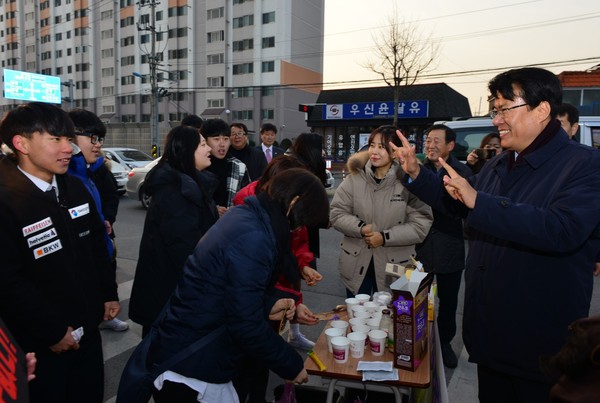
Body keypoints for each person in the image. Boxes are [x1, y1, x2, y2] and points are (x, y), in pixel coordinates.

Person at [391, 67, 600, 402]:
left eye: (504, 109)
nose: (496, 119)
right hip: (490, 338)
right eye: (494, 109)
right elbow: (460, 202)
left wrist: (480, 202)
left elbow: (562, 229)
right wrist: (416, 173)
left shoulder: (585, 164)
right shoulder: (500, 164)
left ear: (542, 109)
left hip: (539, 347)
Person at [117, 168, 329, 403]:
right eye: (302, 220)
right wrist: (291, 364)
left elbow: (227, 287)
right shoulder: (256, 237)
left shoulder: (245, 216)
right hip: (193, 364)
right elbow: (245, 323)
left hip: (192, 349)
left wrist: (271, 302)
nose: (299, 228)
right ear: (294, 203)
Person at [0, 102, 120, 403]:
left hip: (88, 332)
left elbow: (96, 246)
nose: (69, 148)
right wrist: (51, 332)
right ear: (21, 143)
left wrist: (108, 292)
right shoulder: (6, 201)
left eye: (69, 139)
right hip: (39, 345)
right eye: (56, 139)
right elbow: (8, 282)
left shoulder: (75, 188)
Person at [232, 155, 322, 402]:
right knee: (249, 352)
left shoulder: (289, 203)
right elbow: (249, 279)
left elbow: (299, 240)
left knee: (264, 352)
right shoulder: (248, 203)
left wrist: (303, 265)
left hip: (280, 283)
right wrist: (291, 365)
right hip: (262, 286)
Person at [129, 125, 218, 337]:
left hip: (177, 296)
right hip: (170, 299)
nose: (210, 149)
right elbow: (185, 250)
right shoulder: (176, 192)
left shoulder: (190, 184)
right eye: (203, 144)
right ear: (187, 150)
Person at [330, 125, 433, 297]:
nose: (374, 151)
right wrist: (362, 228)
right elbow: (336, 213)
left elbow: (420, 224)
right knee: (357, 319)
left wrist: (384, 237)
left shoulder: (410, 181)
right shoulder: (355, 177)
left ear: (394, 152)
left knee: (389, 321)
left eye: (382, 147)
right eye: (372, 145)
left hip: (394, 270)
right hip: (356, 266)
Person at [414, 124, 473, 368]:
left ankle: (444, 343)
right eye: (428, 140)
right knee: (415, 298)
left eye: (437, 141)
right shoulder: (416, 170)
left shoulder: (464, 173)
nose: (431, 145)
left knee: (448, 302)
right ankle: (416, 341)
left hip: (450, 245)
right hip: (420, 245)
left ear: (450, 145)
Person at [67, 109, 129, 332]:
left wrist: (109, 295)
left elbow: (111, 197)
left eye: (99, 139)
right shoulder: (65, 183)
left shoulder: (92, 174)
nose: (98, 145)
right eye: (92, 138)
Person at [290, 132, 327, 270]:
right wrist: (324, 220)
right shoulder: (299, 171)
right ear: (311, 149)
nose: (324, 152)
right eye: (321, 147)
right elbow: (303, 208)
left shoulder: (311, 167)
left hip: (306, 235)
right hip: (297, 237)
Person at [202, 119, 250, 216]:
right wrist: (212, 209)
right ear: (205, 141)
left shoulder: (239, 167)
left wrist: (238, 208)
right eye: (216, 139)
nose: (222, 144)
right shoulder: (198, 166)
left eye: (226, 139)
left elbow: (248, 198)